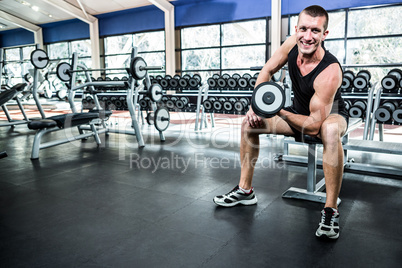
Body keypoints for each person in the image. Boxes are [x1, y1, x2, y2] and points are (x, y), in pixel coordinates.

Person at [213, 5, 348, 240]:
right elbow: (266, 71)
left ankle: (330, 210)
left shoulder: (330, 70)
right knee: (249, 124)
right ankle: (245, 190)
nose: (307, 36)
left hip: (329, 116)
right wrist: (257, 106)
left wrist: (279, 111)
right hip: (297, 112)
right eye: (303, 29)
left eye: (315, 31)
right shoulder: (291, 45)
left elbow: (314, 126)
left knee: (329, 129)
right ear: (296, 29)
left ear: (324, 34)